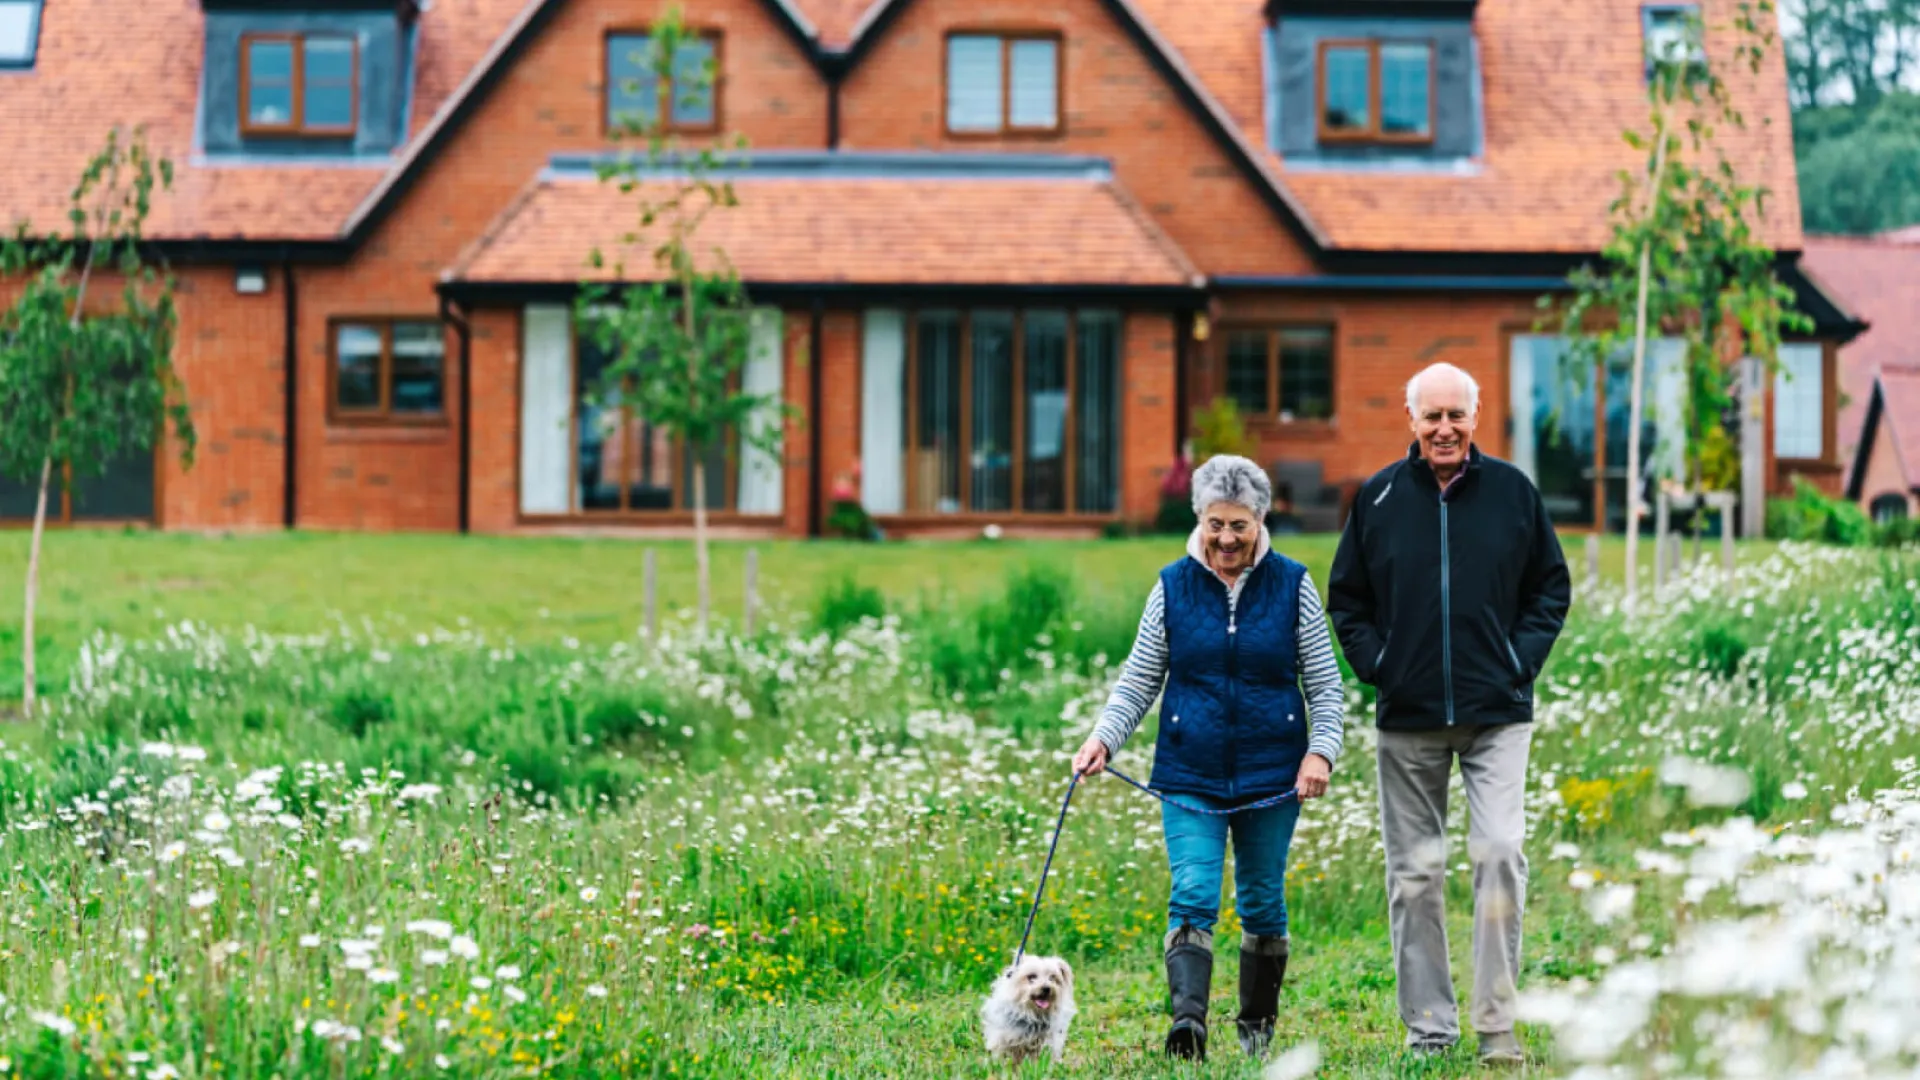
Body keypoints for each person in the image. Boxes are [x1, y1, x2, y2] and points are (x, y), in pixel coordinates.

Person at [1325, 362, 1571, 1068]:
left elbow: (1550, 588)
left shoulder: (1514, 494)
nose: (1443, 428)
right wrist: (1380, 666)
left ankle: (1497, 1027)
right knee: (1414, 875)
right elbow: (1350, 601)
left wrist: (1516, 660)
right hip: (1408, 719)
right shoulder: (1376, 499)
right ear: (1411, 420)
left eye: (1455, 415)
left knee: (1499, 853)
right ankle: (1430, 1030)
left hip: (1498, 714)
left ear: (1476, 416)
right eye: (1431, 416)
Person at [1072, 454, 1346, 1062]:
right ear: (1199, 519)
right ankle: (1188, 1027)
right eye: (1215, 524)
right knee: (1193, 890)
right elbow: (1140, 678)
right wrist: (1102, 739)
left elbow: (1326, 685)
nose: (1226, 538)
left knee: (1262, 901)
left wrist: (1320, 753)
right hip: (1188, 771)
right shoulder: (1171, 585)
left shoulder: (1293, 582)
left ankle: (1256, 1028)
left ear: (1261, 522)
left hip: (1274, 775)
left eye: (1239, 526)